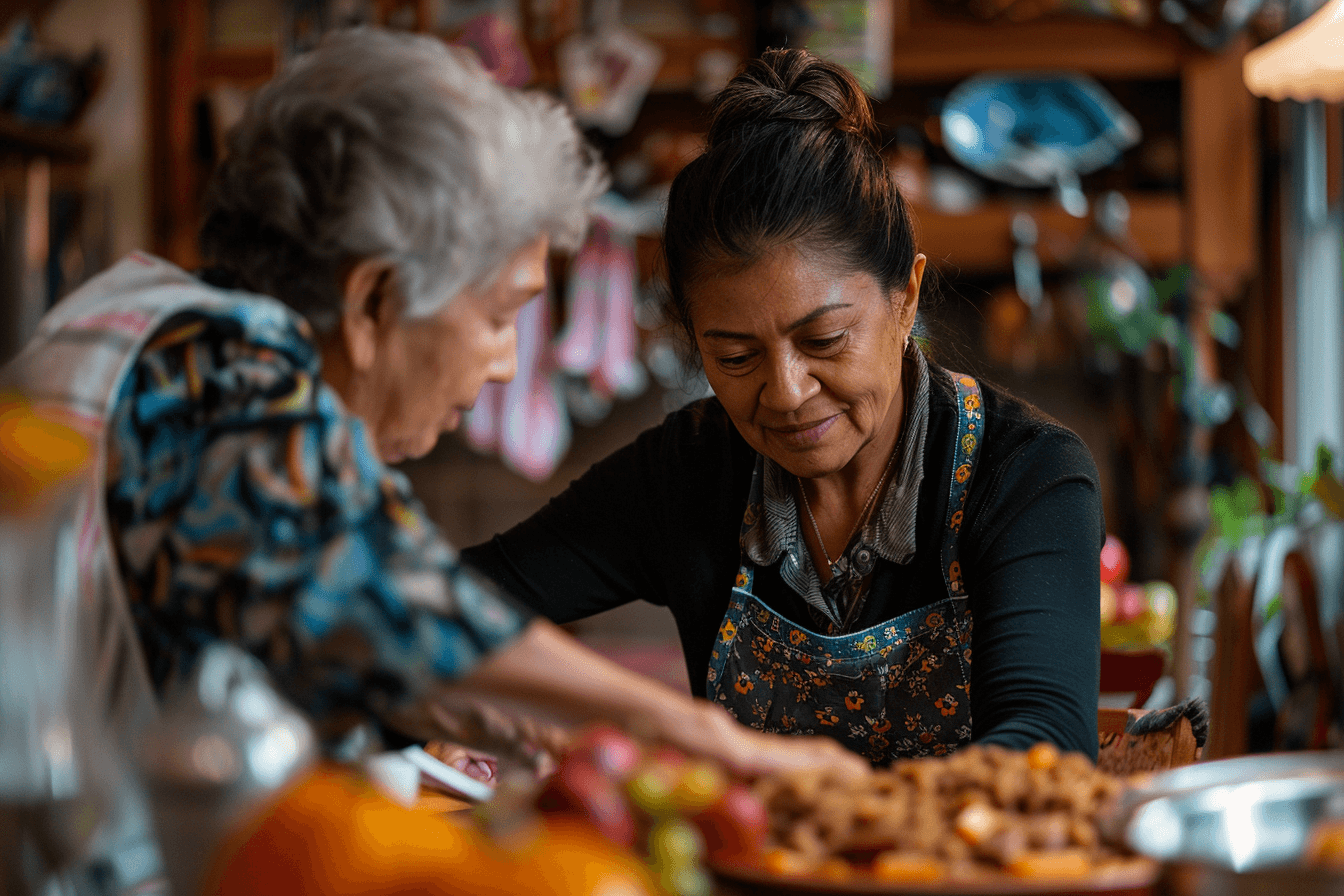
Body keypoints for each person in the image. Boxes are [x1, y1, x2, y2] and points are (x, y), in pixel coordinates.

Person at [2, 28, 862, 782]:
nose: (500, 366)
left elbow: (275, 604)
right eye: (497, 315)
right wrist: (716, 740)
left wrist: (441, 702)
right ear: (375, 302)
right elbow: (383, 594)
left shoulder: (133, 314)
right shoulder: (217, 368)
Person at [463, 49, 1104, 764]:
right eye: (735, 357)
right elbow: (445, 610)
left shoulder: (1025, 474)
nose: (787, 392)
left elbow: (1046, 745)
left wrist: (841, 807)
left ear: (906, 299)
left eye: (824, 339)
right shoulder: (690, 472)